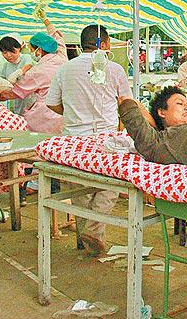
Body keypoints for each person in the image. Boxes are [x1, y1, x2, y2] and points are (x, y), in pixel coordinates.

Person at [46, 24, 132, 255]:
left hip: (74, 141)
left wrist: (72, 112)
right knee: (111, 185)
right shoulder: (114, 69)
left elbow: (51, 103)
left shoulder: (65, 69)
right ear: (104, 44)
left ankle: (88, 239)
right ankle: (93, 232)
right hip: (106, 140)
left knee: (81, 190)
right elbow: (126, 103)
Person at [0, 8, 66, 134]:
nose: (30, 52)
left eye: (31, 49)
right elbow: (57, 36)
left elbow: (15, 92)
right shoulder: (62, 56)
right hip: (64, 113)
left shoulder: (37, 71)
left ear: (39, 50)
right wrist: (45, 19)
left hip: (45, 116)